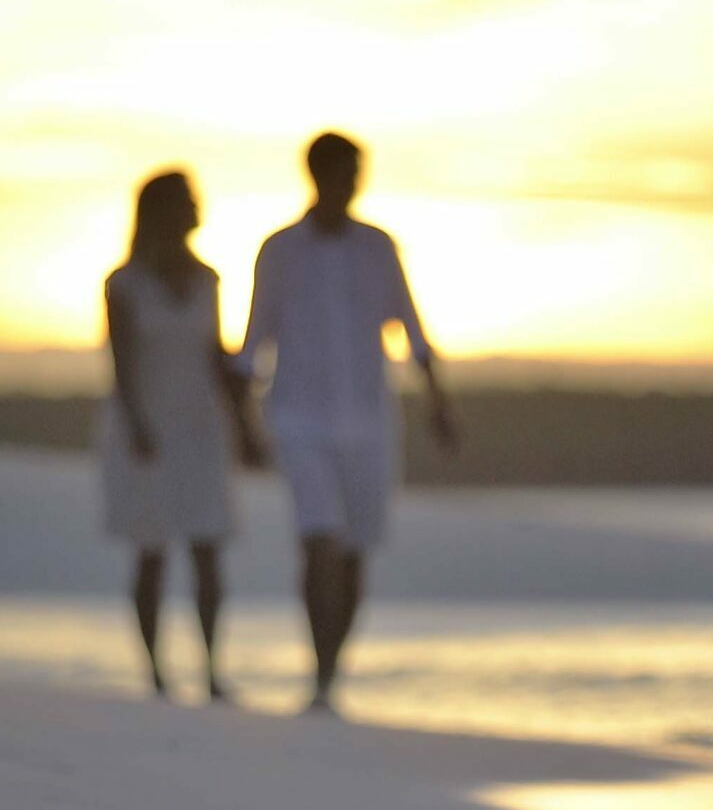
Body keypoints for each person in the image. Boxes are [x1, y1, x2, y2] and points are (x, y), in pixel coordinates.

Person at [233, 131, 458, 714]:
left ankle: (330, 675)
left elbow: (411, 328)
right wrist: (245, 423)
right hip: (299, 418)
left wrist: (437, 402)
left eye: (357, 172)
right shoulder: (280, 250)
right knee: (319, 543)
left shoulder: (377, 247)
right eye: (345, 172)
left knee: (354, 550)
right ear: (319, 174)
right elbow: (254, 340)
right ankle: (319, 671)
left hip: (367, 419)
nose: (352, 183)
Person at [98, 168, 262, 701]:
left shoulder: (206, 279)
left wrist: (245, 423)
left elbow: (215, 354)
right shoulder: (123, 284)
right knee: (152, 550)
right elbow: (120, 361)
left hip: (201, 425)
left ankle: (211, 671)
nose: (195, 209)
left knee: (207, 546)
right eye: (186, 201)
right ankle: (156, 673)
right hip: (146, 426)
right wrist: (139, 425)